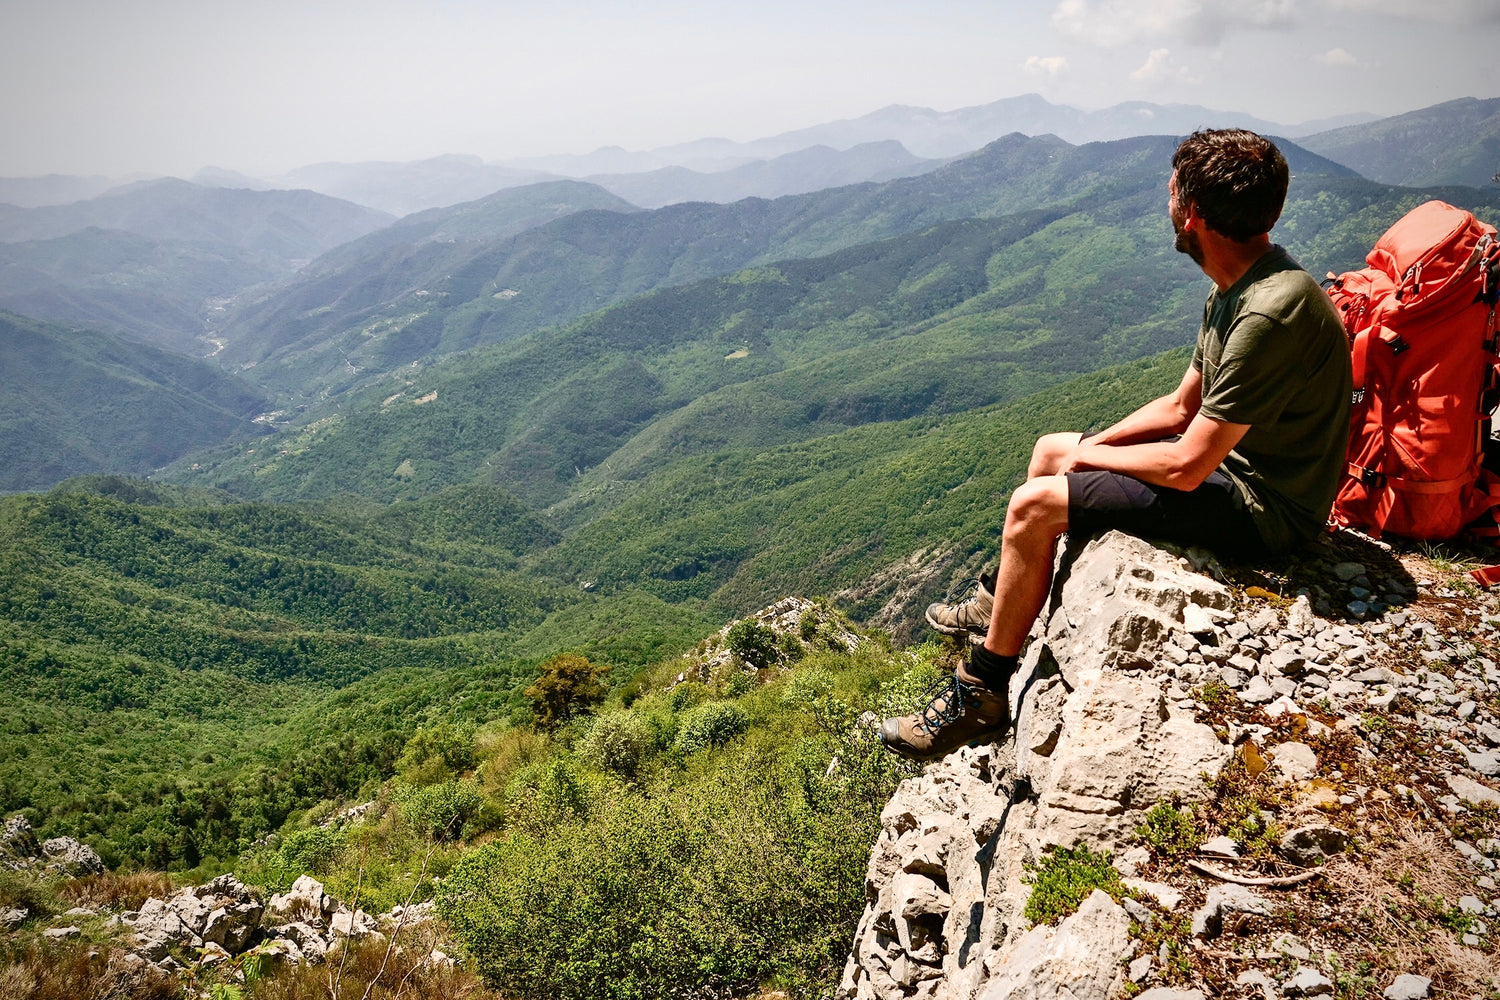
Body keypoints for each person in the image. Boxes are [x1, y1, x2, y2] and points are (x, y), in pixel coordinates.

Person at [879, 128, 1353, 762]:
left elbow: (1187, 465)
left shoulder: (1269, 313)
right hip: (1230, 472)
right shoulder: (1240, 284)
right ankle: (999, 602)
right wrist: (1085, 448)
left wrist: (1089, 459)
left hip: (1265, 509)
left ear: (1194, 213)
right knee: (1051, 450)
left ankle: (981, 691)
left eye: (1172, 192)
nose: (1167, 203)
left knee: (1032, 507)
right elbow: (1181, 407)